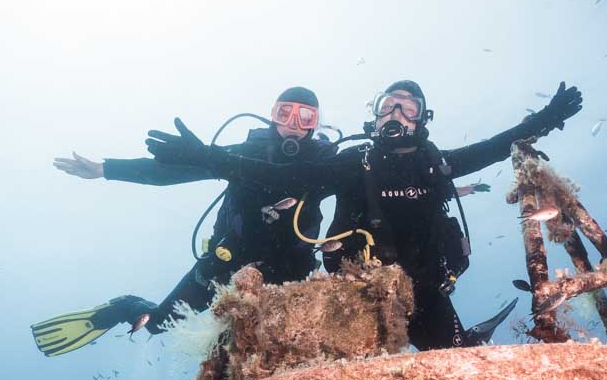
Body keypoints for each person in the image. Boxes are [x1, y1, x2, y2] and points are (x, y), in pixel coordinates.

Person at [145, 79, 584, 350]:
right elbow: (281, 175)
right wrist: (209, 158)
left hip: (427, 291)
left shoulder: (437, 164)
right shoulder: (354, 164)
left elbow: (493, 146)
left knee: (454, 356)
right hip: (354, 292)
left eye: (408, 108)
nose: (397, 114)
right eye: (389, 105)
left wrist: (544, 119)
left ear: (421, 120)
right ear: (374, 116)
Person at [31, 87, 337, 357]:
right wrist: (105, 169)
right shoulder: (243, 154)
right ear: (272, 116)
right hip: (227, 259)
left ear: (316, 123)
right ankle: (126, 306)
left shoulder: (325, 166)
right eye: (285, 113)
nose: (294, 125)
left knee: (278, 341)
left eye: (305, 117)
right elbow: (170, 172)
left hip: (291, 267)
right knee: (156, 324)